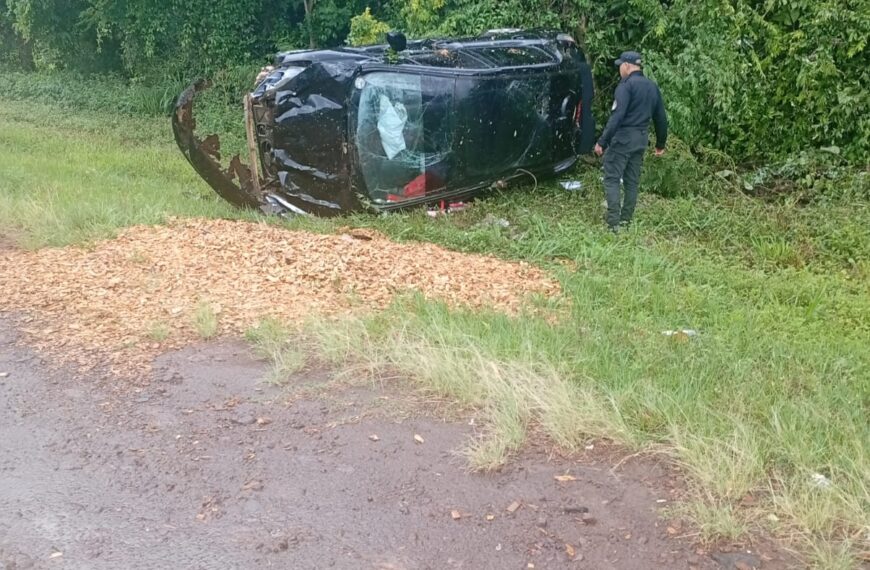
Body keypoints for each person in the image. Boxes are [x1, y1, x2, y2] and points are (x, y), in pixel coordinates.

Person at [594, 51, 668, 232]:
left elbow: (617, 116)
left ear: (627, 66)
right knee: (631, 182)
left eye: (620, 65)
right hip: (641, 139)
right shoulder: (652, 87)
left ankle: (613, 224)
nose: (619, 69)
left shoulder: (625, 86)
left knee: (612, 178)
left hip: (623, 139)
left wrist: (602, 142)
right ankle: (626, 221)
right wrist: (660, 144)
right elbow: (661, 118)